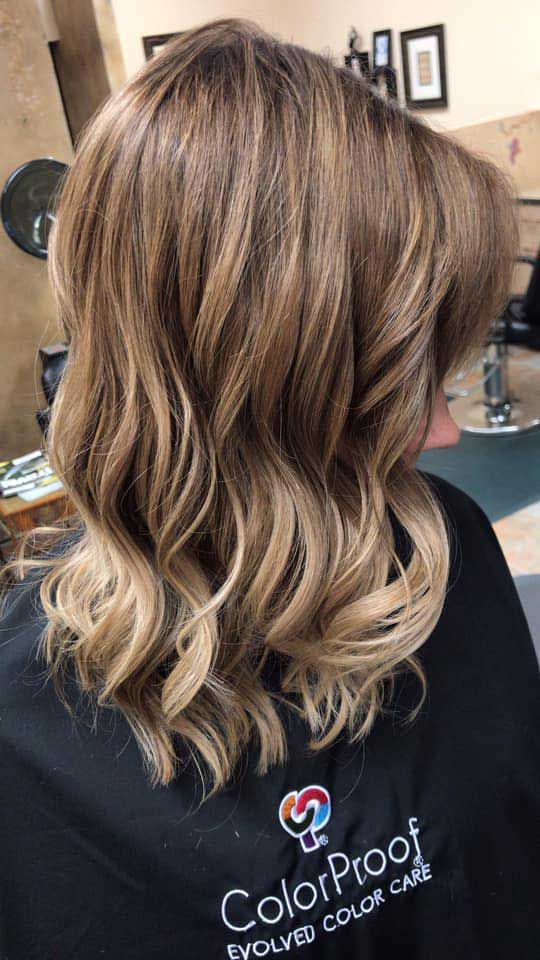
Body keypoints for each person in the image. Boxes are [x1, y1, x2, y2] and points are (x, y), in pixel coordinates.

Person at [0, 17, 538, 960]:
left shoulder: (446, 545)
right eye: (390, 380)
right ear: (263, 386)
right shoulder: (23, 735)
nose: (444, 433)